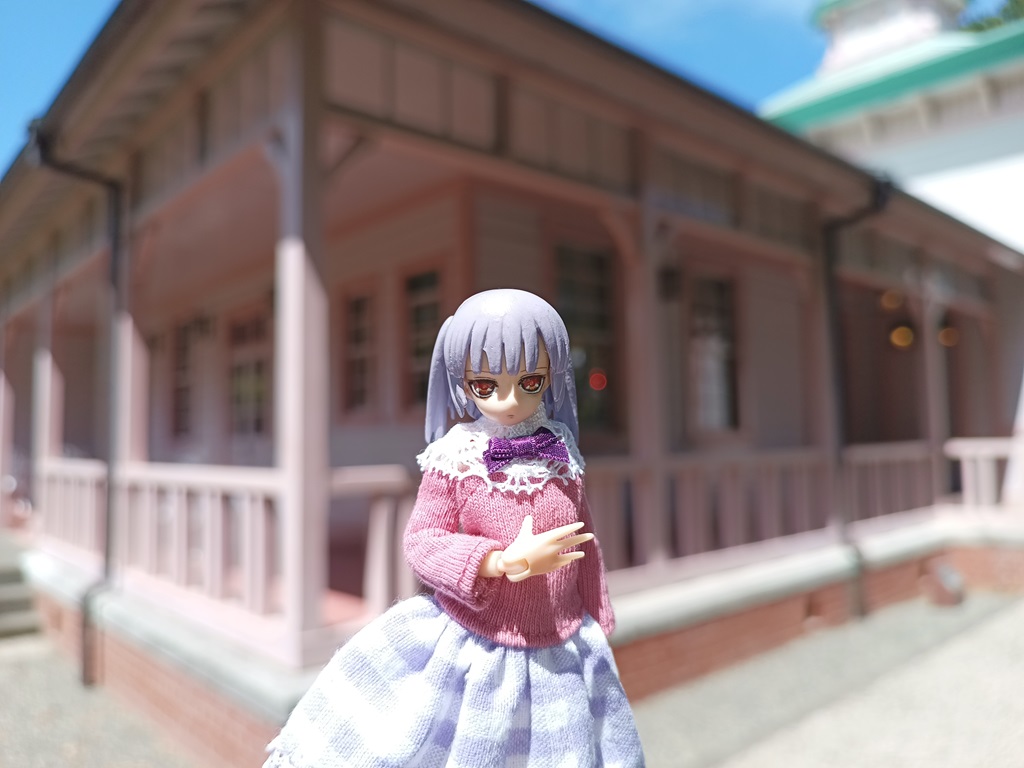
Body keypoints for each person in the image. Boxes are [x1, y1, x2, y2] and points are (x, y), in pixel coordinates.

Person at [264, 289, 645, 768]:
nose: (509, 399)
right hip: (479, 643)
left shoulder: (561, 449)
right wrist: (499, 561)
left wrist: (598, 614)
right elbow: (422, 541)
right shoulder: (457, 456)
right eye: (486, 385)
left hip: (561, 647)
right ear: (461, 380)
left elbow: (584, 537)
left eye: (529, 381)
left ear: (553, 375)